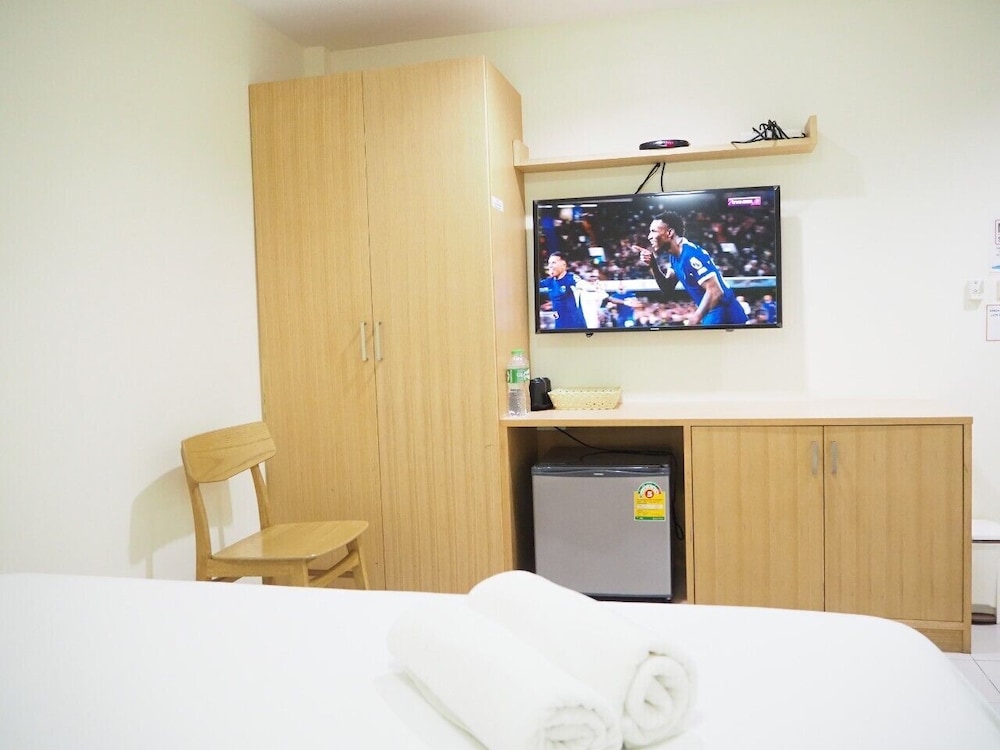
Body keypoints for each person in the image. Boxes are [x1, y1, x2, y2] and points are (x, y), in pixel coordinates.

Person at [636, 212, 748, 326]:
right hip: (713, 312)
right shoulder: (674, 256)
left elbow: (715, 291)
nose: (649, 236)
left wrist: (694, 319)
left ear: (669, 233)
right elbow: (667, 288)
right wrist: (653, 265)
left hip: (724, 313)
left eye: (653, 231)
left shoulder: (690, 254)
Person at [538, 251, 589, 329]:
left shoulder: (571, 278)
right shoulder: (549, 282)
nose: (550, 266)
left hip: (575, 325)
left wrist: (590, 287)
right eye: (549, 263)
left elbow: (583, 285)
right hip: (559, 325)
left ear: (563, 265)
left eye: (553, 263)